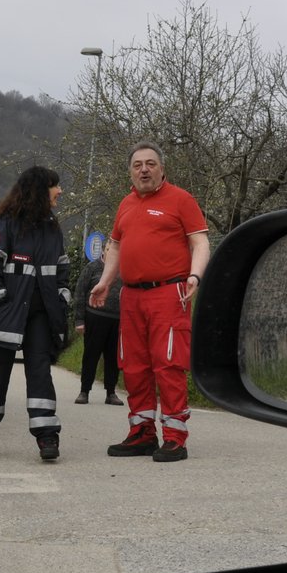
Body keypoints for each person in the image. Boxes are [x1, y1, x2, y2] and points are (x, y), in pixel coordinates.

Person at [91, 141, 209, 462]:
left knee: (168, 362)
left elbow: (199, 241)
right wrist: (105, 283)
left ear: (162, 168)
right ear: (130, 171)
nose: (144, 169)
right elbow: (115, 246)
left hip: (169, 292)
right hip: (131, 296)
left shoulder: (181, 200)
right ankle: (141, 433)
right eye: (138, 164)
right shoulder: (126, 204)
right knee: (134, 364)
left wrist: (195, 276)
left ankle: (174, 437)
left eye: (150, 164)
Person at [0, 166, 72, 462]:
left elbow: (62, 271)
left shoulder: (53, 228)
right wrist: (0, 305)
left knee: (40, 375)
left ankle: (47, 435)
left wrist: (61, 300)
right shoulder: (6, 225)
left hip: (40, 319)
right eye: (55, 186)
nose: (60, 191)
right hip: (4, 319)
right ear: (40, 190)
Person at [72, 250, 122, 405]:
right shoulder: (92, 267)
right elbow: (80, 292)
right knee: (91, 355)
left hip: (117, 320)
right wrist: (79, 320)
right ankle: (84, 391)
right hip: (94, 316)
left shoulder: (124, 269)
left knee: (113, 358)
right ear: (105, 250)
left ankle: (111, 392)